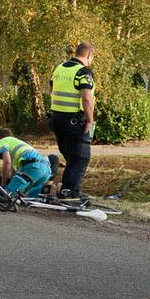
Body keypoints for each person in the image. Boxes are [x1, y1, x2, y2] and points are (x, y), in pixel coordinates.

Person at [50, 42, 96, 201]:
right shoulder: (83, 72)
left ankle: (70, 189)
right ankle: (69, 194)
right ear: (89, 55)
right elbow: (86, 98)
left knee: (71, 156)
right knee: (80, 157)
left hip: (57, 119)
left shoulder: (59, 68)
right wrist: (90, 120)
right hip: (75, 121)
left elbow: (53, 89)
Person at [0, 128, 52, 197]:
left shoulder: (2, 141)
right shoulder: (17, 142)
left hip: (32, 166)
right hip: (45, 169)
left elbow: (7, 161)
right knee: (28, 198)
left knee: (8, 195)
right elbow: (13, 172)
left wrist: (3, 185)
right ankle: (52, 189)